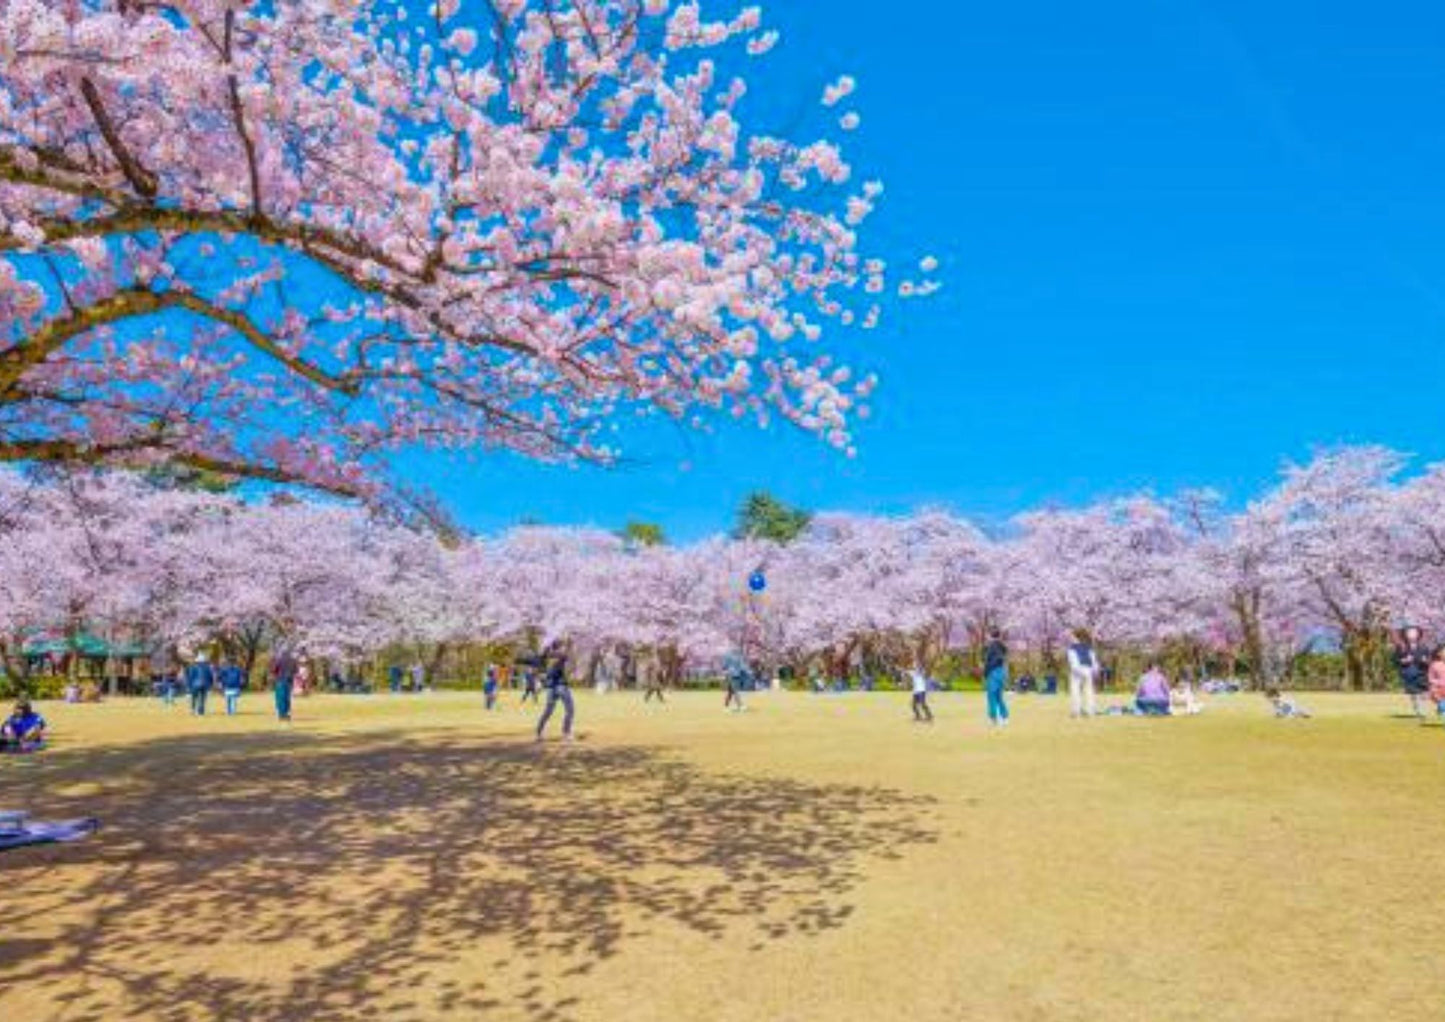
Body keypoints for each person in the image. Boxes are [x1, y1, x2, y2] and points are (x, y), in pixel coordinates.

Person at [535, 645, 575, 742]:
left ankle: (539, 732)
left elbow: (543, 671)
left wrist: (542, 683)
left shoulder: (546, 657)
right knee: (570, 710)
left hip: (550, 688)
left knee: (548, 711)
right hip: (561, 686)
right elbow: (567, 663)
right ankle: (566, 733)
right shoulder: (561, 656)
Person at [1392, 626, 1432, 719]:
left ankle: (1422, 707)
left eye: (1414, 632)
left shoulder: (1423, 647)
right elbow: (1395, 659)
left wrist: (1425, 660)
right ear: (1405, 634)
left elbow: (1429, 659)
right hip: (1408, 673)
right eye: (1409, 633)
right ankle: (1419, 711)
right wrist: (1403, 660)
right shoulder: (1401, 646)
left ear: (1418, 634)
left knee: (1424, 693)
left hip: (1422, 672)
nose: (1412, 634)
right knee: (1414, 693)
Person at [1066, 630, 1101, 718]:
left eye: (1072, 636)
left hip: (1077, 670)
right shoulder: (1088, 648)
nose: (1071, 638)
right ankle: (1089, 710)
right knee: (1089, 691)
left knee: (1075, 690)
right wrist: (1095, 671)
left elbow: (1073, 661)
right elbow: (1094, 661)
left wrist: (1077, 670)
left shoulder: (1072, 648)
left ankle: (1076, 711)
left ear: (1076, 637)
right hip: (1088, 670)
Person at [983, 629, 1009, 727]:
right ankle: (1005, 717)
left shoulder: (992, 646)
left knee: (991, 696)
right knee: (999, 696)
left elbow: (990, 661)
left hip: (993, 672)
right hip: (1002, 672)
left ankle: (993, 718)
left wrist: (986, 672)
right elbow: (1002, 658)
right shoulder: (1002, 646)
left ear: (990, 636)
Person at [271, 647, 297, 722]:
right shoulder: (293, 660)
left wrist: (275, 674)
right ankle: (287, 713)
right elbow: (295, 671)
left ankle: (281, 714)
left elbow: (274, 670)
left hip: (280, 680)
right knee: (287, 698)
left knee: (280, 698)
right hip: (289, 681)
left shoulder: (279, 660)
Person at [185, 652, 215, 716]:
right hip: (205, 685)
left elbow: (190, 677)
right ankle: (201, 711)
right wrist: (210, 685)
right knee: (202, 698)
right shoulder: (207, 668)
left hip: (195, 685)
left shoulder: (193, 667)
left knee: (194, 698)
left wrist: (189, 686)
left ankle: (193, 710)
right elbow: (210, 677)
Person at [1429, 647, 1445, 724]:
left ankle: (1440, 710)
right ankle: (1441, 710)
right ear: (1439, 654)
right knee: (1442, 703)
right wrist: (1438, 683)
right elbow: (1430, 678)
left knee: (1442, 705)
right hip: (1439, 690)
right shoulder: (1434, 665)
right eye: (1443, 652)